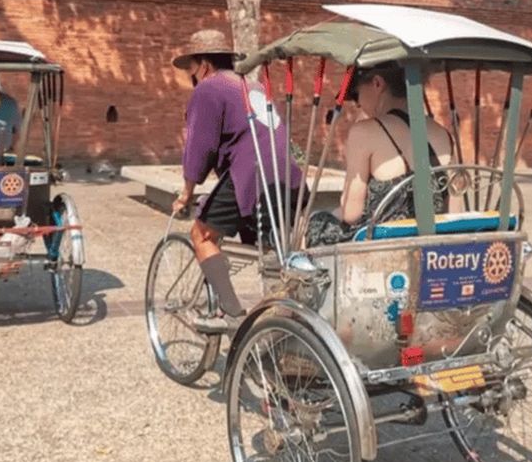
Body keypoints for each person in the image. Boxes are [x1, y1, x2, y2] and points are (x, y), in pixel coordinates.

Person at [172, 29, 304, 334]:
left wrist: (187, 194)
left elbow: (199, 148)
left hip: (251, 174)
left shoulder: (207, 89)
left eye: (191, 69)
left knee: (201, 235)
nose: (191, 76)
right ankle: (282, 325)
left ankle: (231, 314)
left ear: (202, 65)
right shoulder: (254, 86)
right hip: (287, 174)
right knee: (275, 255)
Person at [306, 63, 453, 246]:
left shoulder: (365, 132)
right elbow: (453, 209)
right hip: (433, 244)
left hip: (383, 245)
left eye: (356, 95)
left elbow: (351, 213)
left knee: (315, 222)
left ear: (377, 84)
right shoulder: (442, 134)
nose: (358, 104)